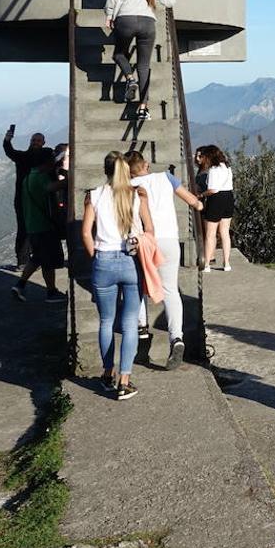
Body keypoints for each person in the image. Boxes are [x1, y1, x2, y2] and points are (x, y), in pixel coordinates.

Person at [81, 152, 153, 400]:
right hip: (131, 260)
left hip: (103, 261)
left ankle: (107, 374)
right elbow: (150, 229)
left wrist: (96, 257)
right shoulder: (137, 194)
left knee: (106, 321)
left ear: (105, 170)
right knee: (130, 322)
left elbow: (86, 234)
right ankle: (125, 380)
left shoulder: (94, 195)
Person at [125, 151, 204, 369]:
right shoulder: (166, 178)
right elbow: (192, 201)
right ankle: (176, 338)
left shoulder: (129, 186)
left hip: (144, 241)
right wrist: (199, 205)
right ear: (146, 164)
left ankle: (142, 331)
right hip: (169, 240)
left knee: (139, 286)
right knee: (170, 290)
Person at [104, 0, 175, 123]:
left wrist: (110, 14)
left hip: (125, 20)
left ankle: (130, 78)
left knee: (119, 54)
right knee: (144, 65)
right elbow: (169, 1)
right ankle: (143, 108)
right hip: (148, 23)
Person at [10, 148, 66, 304]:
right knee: (48, 261)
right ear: (46, 162)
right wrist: (69, 178)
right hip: (43, 226)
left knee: (38, 257)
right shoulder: (40, 177)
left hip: (32, 225)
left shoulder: (29, 176)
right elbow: (52, 188)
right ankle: (51, 292)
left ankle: (20, 285)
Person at [3, 128, 46, 269]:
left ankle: (36, 258)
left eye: (38, 140)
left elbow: (60, 154)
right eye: (34, 140)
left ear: (43, 143)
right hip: (22, 200)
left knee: (39, 229)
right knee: (23, 229)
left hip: (40, 200)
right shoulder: (22, 157)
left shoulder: (47, 155)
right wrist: (7, 140)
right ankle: (22, 260)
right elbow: (10, 151)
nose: (35, 143)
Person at [197, 145, 234, 271]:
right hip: (229, 197)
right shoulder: (227, 167)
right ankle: (227, 263)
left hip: (216, 199)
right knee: (225, 232)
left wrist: (201, 195)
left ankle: (207, 264)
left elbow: (213, 189)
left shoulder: (213, 169)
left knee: (210, 233)